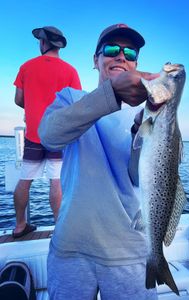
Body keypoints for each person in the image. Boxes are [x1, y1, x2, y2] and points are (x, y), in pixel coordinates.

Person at [39, 24, 159, 300]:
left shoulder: (146, 114)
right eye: (112, 49)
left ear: (136, 64)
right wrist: (112, 95)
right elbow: (49, 135)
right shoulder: (70, 99)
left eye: (129, 52)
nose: (121, 56)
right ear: (96, 60)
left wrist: (140, 138)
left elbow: (140, 177)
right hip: (70, 248)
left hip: (129, 251)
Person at [12, 26, 82, 238]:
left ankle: (19, 226)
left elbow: (18, 99)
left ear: (43, 43)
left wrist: (33, 106)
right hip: (58, 135)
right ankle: (58, 228)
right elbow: (76, 103)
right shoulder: (70, 71)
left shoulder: (26, 67)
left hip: (34, 134)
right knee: (56, 181)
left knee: (25, 180)